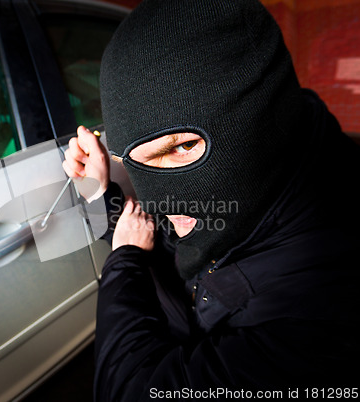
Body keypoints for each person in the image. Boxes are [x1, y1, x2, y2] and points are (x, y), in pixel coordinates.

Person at [63, 0, 360, 400]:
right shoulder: (246, 192)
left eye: (182, 145)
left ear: (260, 116)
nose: (159, 201)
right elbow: (169, 237)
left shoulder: (323, 308)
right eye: (130, 160)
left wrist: (124, 261)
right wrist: (101, 192)